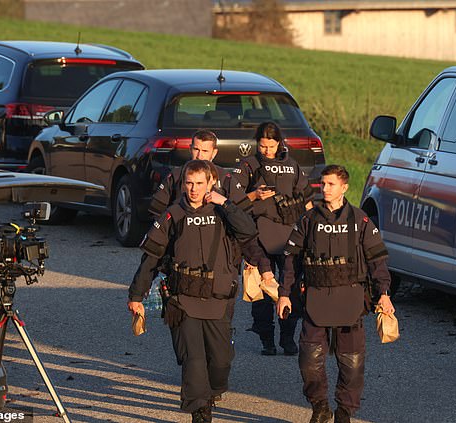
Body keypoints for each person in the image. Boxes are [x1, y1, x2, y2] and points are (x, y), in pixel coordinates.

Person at [128, 160, 258, 423]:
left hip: (218, 298)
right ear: (183, 183)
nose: (194, 189)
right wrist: (136, 296)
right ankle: (200, 411)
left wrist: (225, 203)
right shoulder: (173, 215)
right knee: (194, 359)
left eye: (200, 183)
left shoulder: (223, 211)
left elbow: (248, 230)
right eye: (189, 183)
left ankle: (213, 391)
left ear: (211, 183)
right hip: (183, 299)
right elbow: (151, 258)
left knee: (220, 361)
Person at [276, 165, 395, 423]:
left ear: (344, 187)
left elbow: (377, 260)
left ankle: (344, 412)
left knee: (352, 366)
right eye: (323, 184)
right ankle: (319, 407)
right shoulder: (307, 220)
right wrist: (284, 293)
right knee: (309, 361)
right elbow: (290, 260)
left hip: (351, 302)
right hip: (315, 300)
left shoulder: (360, 220)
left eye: (331, 184)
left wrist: (383, 293)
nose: (325, 189)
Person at [227, 121, 314, 356]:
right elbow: (232, 200)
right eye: (263, 146)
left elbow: (306, 199)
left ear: (279, 143)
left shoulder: (292, 166)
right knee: (263, 287)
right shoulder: (249, 165)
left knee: (290, 286)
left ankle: (287, 337)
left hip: (289, 235)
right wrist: (254, 195)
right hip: (259, 234)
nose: (267, 151)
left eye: (271, 146)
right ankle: (266, 338)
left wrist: (311, 230)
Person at [149, 129, 229, 217]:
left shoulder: (224, 176)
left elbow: (241, 213)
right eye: (196, 149)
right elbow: (156, 211)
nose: (199, 156)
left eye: (205, 151)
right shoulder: (176, 175)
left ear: (214, 153)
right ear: (190, 149)